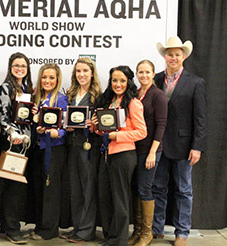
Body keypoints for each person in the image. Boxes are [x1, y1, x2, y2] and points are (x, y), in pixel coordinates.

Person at [152, 36, 206, 246]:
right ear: (164, 56)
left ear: (183, 56)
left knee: (184, 190)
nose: (173, 58)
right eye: (169, 54)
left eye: (177, 54)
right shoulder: (155, 80)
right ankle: (156, 229)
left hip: (184, 146)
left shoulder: (195, 82)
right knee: (157, 188)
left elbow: (200, 118)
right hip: (159, 144)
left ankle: (182, 232)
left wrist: (197, 147)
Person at [91, 65, 147, 246]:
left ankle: (120, 240)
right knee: (105, 197)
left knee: (120, 199)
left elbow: (142, 132)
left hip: (124, 155)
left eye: (122, 80)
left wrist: (118, 136)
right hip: (106, 154)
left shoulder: (133, 103)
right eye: (115, 80)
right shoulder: (108, 102)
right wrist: (94, 126)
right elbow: (103, 131)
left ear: (128, 82)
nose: (118, 84)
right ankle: (110, 236)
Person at [0, 52, 35, 245]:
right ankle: (12, 229)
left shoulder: (26, 88)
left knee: (16, 187)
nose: (20, 69)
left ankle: (7, 226)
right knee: (13, 187)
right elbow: (2, 116)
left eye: (23, 66)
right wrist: (14, 134)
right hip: (13, 143)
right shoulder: (6, 87)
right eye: (16, 66)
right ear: (10, 67)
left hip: (25, 144)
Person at [62, 57, 102, 243]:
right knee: (75, 189)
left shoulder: (98, 96)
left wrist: (93, 124)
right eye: (78, 71)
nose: (82, 74)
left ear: (92, 73)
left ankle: (86, 231)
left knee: (88, 190)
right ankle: (77, 227)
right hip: (72, 146)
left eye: (85, 71)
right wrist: (66, 125)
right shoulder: (70, 94)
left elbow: (103, 124)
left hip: (89, 148)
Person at [128, 60, 168, 246]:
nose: (143, 75)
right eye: (140, 72)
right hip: (135, 148)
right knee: (136, 188)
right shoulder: (136, 94)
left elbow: (161, 125)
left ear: (153, 74)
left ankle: (147, 233)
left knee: (145, 188)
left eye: (147, 72)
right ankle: (137, 230)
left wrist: (153, 152)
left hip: (150, 150)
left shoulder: (157, 95)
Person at [29, 63, 68, 241]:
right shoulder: (36, 98)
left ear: (57, 79)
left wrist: (57, 132)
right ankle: (39, 225)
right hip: (38, 148)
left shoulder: (61, 99)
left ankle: (50, 230)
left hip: (54, 149)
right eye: (44, 77)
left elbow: (68, 125)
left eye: (51, 77)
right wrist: (37, 129)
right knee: (38, 188)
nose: (47, 80)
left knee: (51, 188)